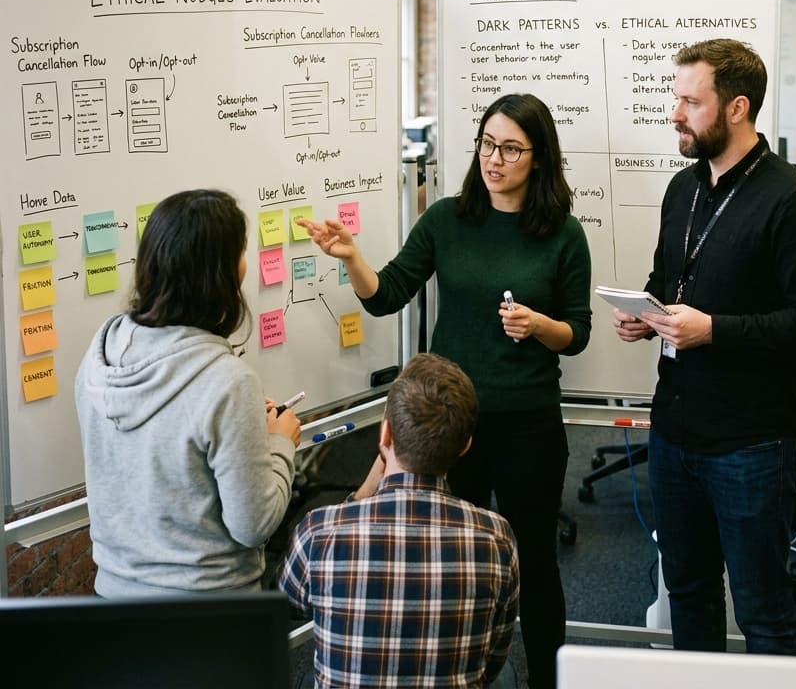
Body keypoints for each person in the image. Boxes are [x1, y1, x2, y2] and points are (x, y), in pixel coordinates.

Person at [298, 92, 591, 689]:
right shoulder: (447, 220)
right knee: (446, 564)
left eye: (511, 149)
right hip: (451, 425)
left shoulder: (563, 234)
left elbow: (577, 334)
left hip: (529, 423)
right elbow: (386, 295)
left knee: (535, 565)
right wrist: (351, 257)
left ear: (538, 157)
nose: (494, 159)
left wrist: (539, 325)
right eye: (487, 144)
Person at [612, 38, 796, 654]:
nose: (675, 114)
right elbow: (669, 280)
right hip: (673, 432)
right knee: (688, 595)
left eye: (691, 102)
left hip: (751, 443)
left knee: (764, 613)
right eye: (676, 99)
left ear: (737, 108)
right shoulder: (682, 189)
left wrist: (713, 329)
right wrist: (647, 315)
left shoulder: (792, 201)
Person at [75, 188, 301, 597]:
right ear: (222, 273)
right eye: (241, 252)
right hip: (207, 609)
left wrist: (246, 428)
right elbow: (254, 525)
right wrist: (280, 443)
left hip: (113, 601)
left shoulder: (99, 354)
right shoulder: (228, 381)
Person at [278, 353, 519, 689]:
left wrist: (359, 498)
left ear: (386, 434)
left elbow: (290, 605)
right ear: (465, 446)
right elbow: (492, 658)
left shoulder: (320, 532)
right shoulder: (496, 538)